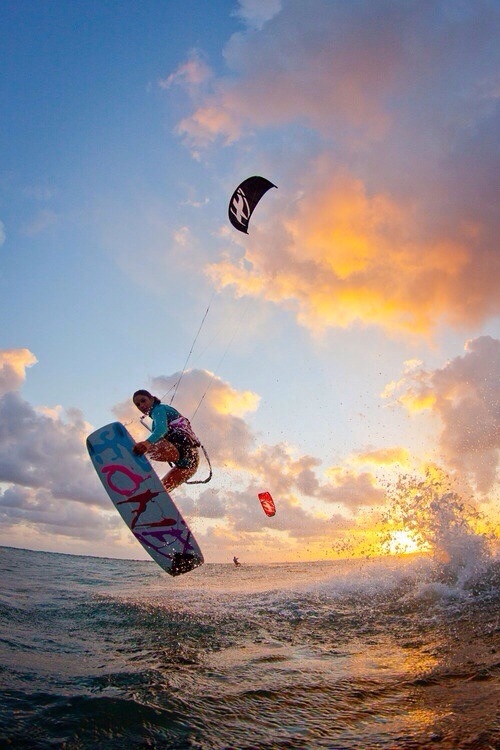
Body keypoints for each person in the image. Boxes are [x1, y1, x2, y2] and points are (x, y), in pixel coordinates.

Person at [132, 389, 200, 493]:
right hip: (191, 463)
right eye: (138, 404)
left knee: (138, 449)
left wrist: (146, 444)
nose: (141, 405)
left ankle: (129, 456)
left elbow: (162, 429)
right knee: (159, 492)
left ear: (151, 398)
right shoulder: (160, 412)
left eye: (143, 400)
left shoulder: (158, 409)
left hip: (179, 447)